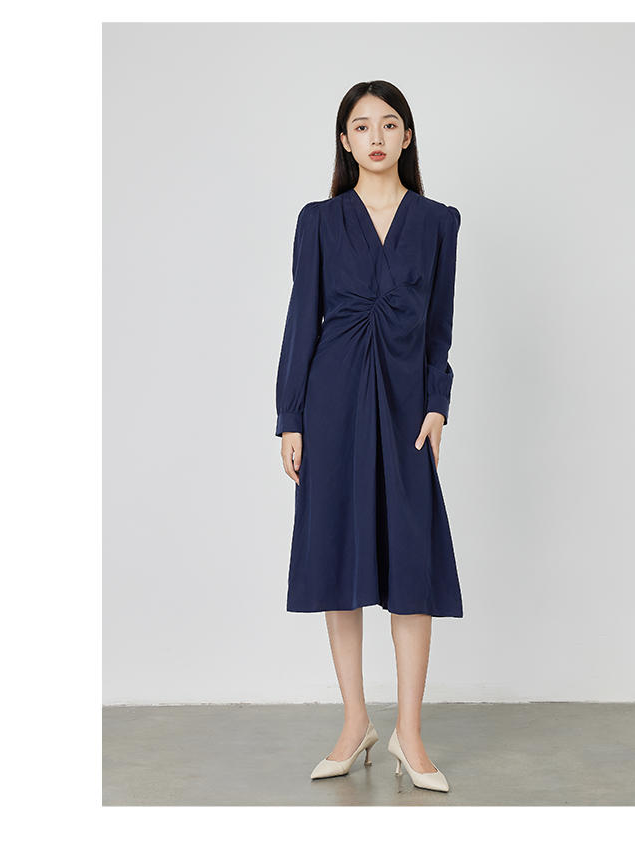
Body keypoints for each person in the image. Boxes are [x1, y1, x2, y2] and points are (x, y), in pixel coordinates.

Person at [275, 80, 463, 793]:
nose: (376, 136)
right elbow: (302, 320)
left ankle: (410, 735)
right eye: (362, 125)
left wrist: (437, 405)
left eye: (389, 124)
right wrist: (290, 416)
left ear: (407, 137)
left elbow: (440, 328)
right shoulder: (320, 221)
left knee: (411, 564)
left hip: (408, 406)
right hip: (332, 405)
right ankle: (356, 722)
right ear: (345, 140)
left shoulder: (438, 222)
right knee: (340, 558)